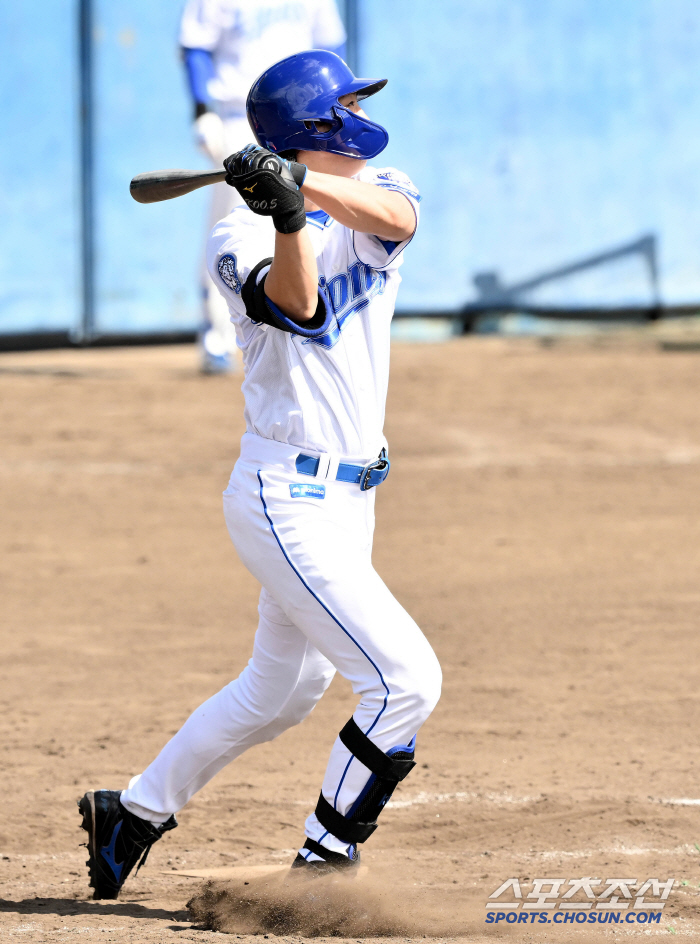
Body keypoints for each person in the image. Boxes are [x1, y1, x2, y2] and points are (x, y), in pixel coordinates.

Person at [78, 50, 442, 900]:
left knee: (280, 693)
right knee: (404, 683)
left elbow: (399, 219)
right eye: (344, 103)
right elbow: (300, 309)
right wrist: (282, 216)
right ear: (316, 125)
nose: (360, 115)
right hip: (285, 498)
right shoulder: (236, 236)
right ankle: (322, 867)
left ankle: (129, 813)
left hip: (350, 503)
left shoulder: (378, 185)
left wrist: (303, 190)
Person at [180, 0, 346, 373]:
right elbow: (195, 47)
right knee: (230, 224)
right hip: (240, 119)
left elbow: (332, 47)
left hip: (308, 120)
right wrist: (202, 110)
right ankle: (216, 336)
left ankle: (320, 315)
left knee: (318, 215)